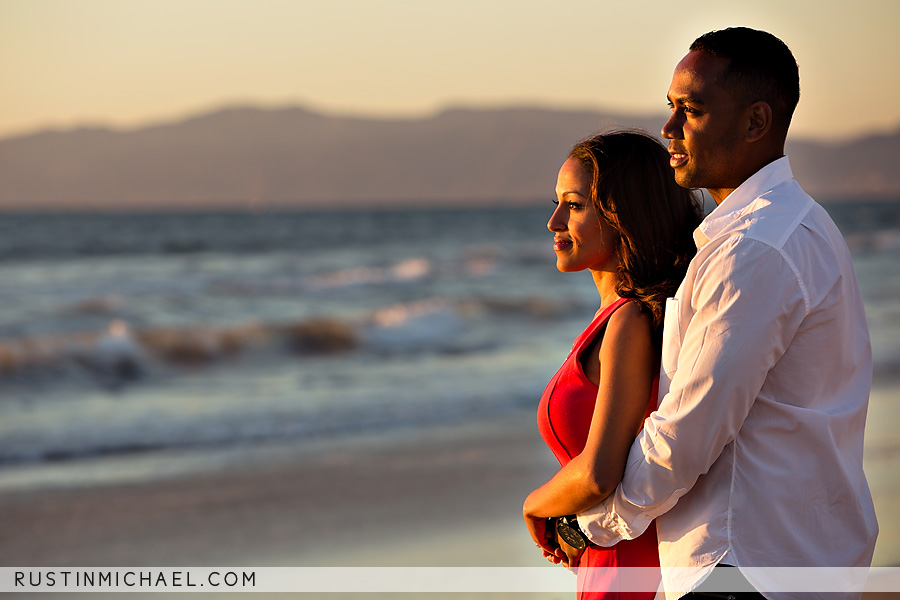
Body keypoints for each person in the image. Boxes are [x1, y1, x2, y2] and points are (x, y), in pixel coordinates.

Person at [574, 27, 879, 599]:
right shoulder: (791, 226)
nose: (667, 129)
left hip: (745, 567)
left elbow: (686, 434)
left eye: (690, 110)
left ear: (756, 122)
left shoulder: (755, 247)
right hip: (785, 563)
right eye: (671, 108)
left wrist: (592, 521)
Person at [523, 130, 703, 599]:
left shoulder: (628, 321)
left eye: (574, 205)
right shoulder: (620, 318)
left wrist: (535, 505)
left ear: (622, 215)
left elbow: (599, 473)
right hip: (612, 556)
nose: (554, 221)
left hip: (625, 567)